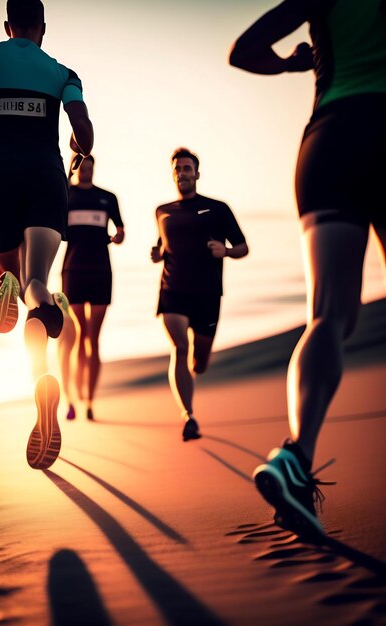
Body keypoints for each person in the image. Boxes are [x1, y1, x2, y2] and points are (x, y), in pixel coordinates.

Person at [229, 0, 386, 536]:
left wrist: (294, 64)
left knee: (328, 316)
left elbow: (244, 51)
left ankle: (295, 457)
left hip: (330, 140)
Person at [0, 0, 94, 469]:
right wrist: (78, 150)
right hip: (46, 176)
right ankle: (40, 312)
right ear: (41, 27)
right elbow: (83, 129)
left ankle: (7, 284)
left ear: (7, 26)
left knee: (10, 276)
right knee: (39, 284)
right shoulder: (63, 72)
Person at [151, 148, 249, 441]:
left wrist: (227, 251)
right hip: (172, 291)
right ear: (173, 175)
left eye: (187, 168)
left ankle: (197, 365)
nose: (182, 173)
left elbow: (243, 246)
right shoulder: (162, 211)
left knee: (199, 362)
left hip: (207, 294)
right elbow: (164, 244)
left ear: (197, 173)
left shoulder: (218, 209)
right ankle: (188, 416)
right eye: (177, 169)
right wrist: (158, 253)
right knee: (179, 347)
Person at [58, 154, 125, 421]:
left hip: (100, 271)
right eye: (81, 168)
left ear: (94, 168)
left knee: (93, 340)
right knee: (74, 337)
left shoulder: (108, 198)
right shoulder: (64, 195)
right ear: (74, 169)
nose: (85, 172)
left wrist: (118, 236)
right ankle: (70, 399)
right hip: (72, 272)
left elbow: (121, 230)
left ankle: (89, 401)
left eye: (89, 167)